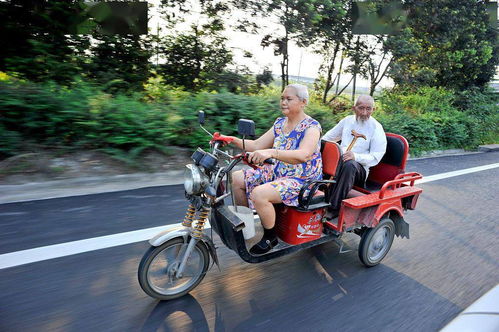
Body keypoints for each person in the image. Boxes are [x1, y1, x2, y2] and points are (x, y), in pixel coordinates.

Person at [225, 84, 323, 255]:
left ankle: (270, 237)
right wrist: (230, 139)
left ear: (303, 102)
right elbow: (256, 145)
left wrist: (271, 152)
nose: (283, 102)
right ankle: (246, 225)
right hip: (278, 171)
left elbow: (304, 155)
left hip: (301, 179)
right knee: (237, 178)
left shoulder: (312, 127)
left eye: (289, 99)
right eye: (282, 98)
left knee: (259, 194)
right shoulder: (280, 123)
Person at [322, 95, 387, 218]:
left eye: (368, 109)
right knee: (323, 154)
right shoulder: (347, 121)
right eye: (361, 108)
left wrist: (355, 156)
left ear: (374, 110)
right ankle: (315, 195)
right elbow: (328, 138)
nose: (364, 112)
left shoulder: (376, 128)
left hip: (359, 170)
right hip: (339, 163)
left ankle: (333, 208)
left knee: (349, 165)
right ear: (354, 108)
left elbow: (376, 157)